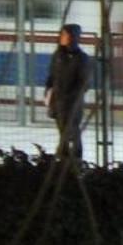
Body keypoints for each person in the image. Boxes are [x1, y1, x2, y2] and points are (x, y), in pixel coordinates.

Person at [44, 23, 91, 163]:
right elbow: (52, 75)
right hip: (57, 101)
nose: (62, 37)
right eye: (62, 34)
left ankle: (75, 159)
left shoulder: (82, 58)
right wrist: (48, 90)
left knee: (72, 132)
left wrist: (70, 97)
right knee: (62, 131)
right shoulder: (58, 56)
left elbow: (84, 83)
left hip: (72, 103)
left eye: (65, 34)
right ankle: (63, 159)